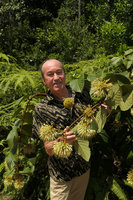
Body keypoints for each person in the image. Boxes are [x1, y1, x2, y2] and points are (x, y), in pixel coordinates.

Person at [32, 59, 93, 200]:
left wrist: (104, 112)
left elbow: (93, 119)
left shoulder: (81, 94)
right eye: (50, 74)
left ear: (64, 75)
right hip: (61, 176)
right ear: (43, 80)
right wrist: (62, 140)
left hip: (83, 169)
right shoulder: (42, 109)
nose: (56, 78)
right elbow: (48, 149)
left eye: (59, 72)